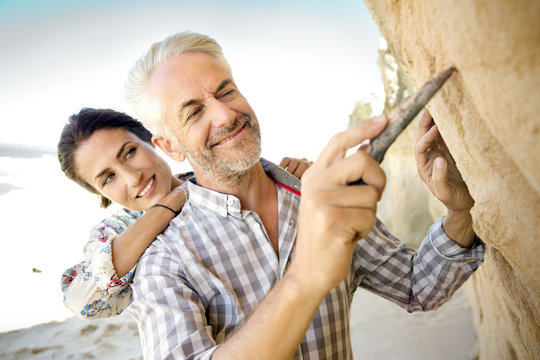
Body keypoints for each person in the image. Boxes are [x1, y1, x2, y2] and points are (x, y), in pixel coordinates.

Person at [122, 31, 484, 359]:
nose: (224, 115)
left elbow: (419, 287)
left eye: (226, 91)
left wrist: (458, 212)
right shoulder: (164, 260)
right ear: (170, 146)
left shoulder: (319, 195)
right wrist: (305, 275)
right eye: (195, 111)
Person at [57, 107, 312, 319]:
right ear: (99, 192)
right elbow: (83, 300)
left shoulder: (214, 178)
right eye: (109, 177)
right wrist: (170, 204)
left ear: (151, 140)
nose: (133, 178)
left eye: (130, 152)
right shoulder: (114, 233)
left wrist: (296, 180)